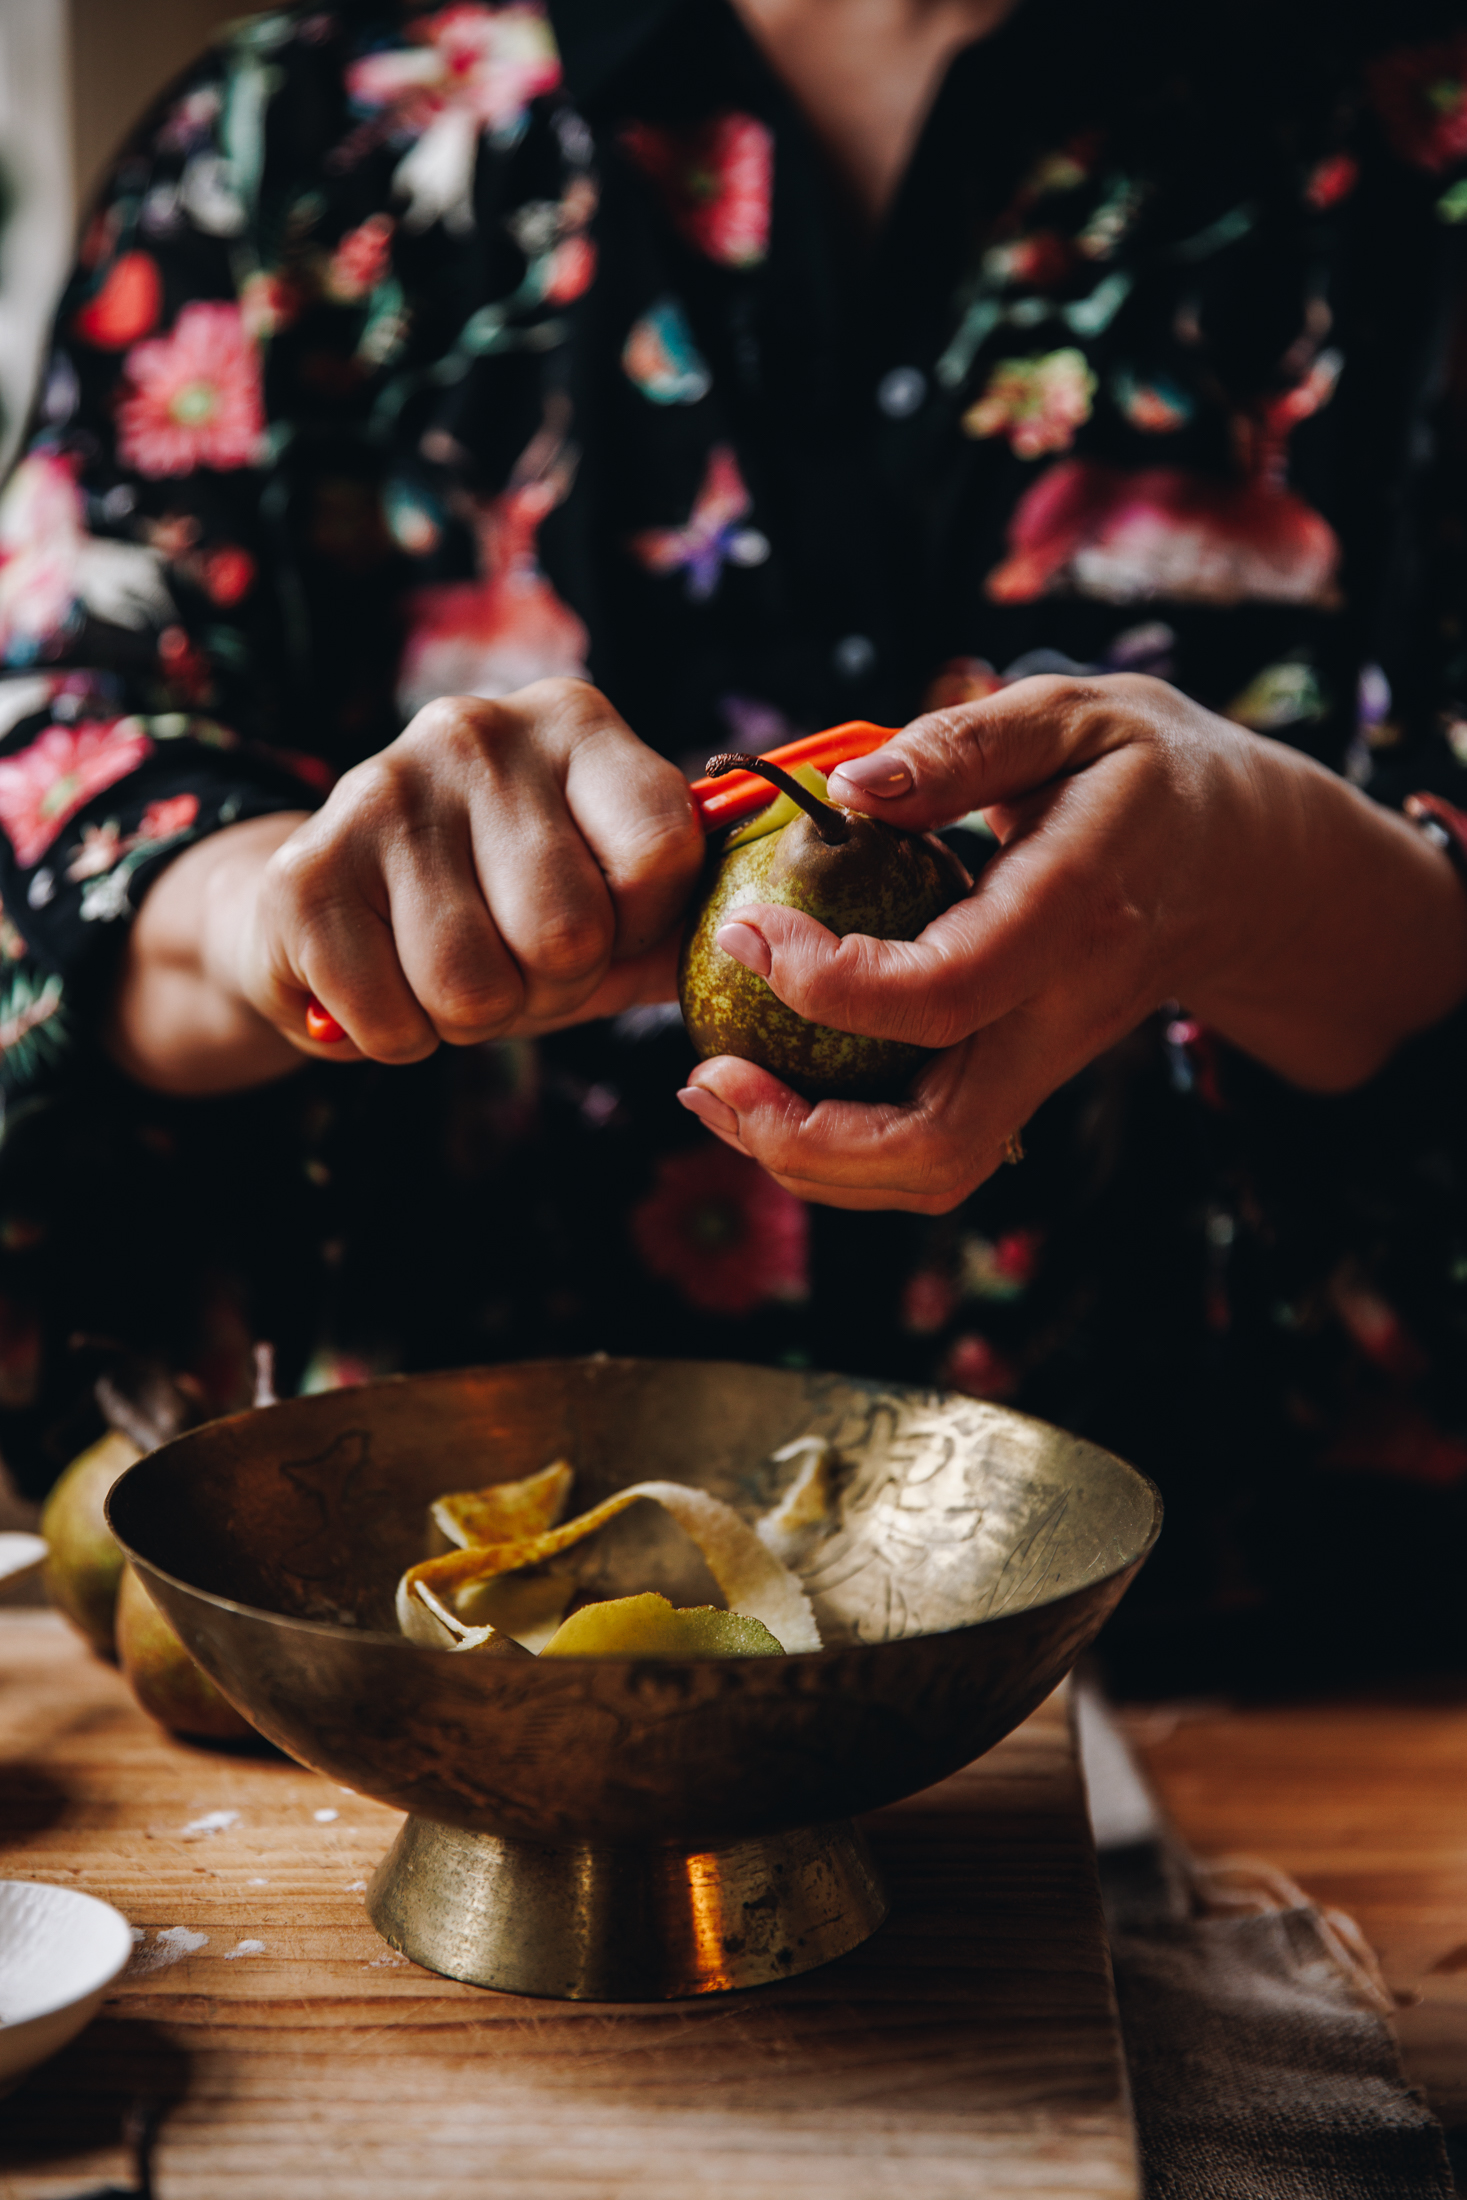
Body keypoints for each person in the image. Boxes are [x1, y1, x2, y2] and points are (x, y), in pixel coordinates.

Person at [3, 0, 1467, 1690]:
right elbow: (57, 760)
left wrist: (1290, 890)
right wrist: (275, 910)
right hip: (437, 1667)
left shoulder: (1414, 140)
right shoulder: (291, 158)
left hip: (1288, 1692)